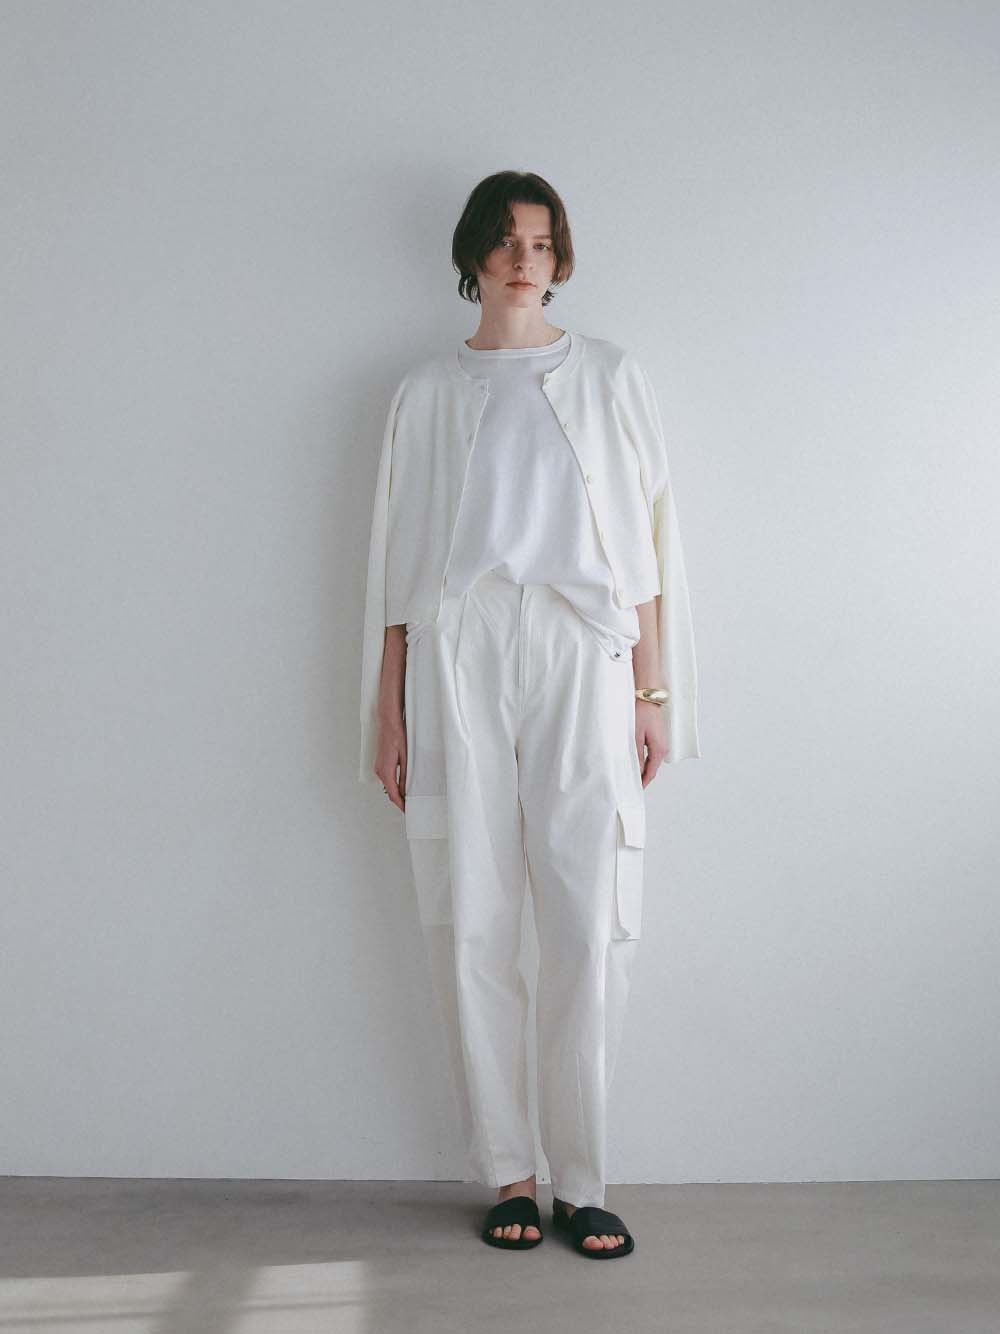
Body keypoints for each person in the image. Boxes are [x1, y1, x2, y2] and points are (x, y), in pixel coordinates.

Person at [359, 170, 701, 1258]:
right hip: (457, 648)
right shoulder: (425, 391)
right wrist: (387, 709)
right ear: (474, 253)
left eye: (542, 243)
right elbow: (395, 567)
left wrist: (653, 691)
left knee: (588, 915)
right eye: (506, 241)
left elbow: (647, 547)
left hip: (581, 647)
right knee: (473, 910)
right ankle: (508, 1168)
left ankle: (583, 1177)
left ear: (561, 257)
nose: (524, 260)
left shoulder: (609, 375)